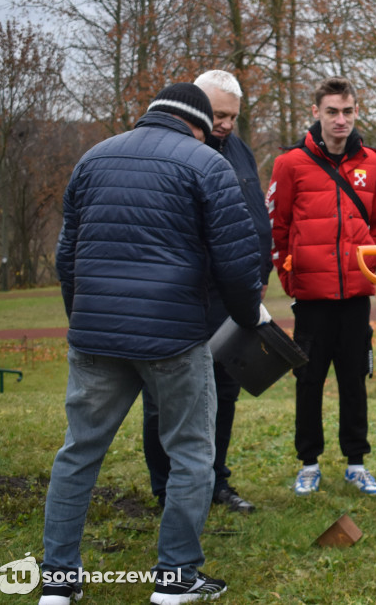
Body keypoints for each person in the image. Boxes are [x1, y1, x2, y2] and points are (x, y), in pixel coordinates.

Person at [40, 83, 266, 605]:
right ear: (201, 125)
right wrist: (245, 320)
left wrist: (87, 321)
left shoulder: (92, 158)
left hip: (95, 336)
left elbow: (66, 257)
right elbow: (237, 264)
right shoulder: (208, 165)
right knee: (190, 453)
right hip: (174, 338)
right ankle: (176, 576)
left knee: (78, 453)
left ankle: (57, 579)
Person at [141, 70, 273, 515]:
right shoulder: (180, 151)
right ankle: (168, 489)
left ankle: (215, 481)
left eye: (233, 116)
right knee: (167, 398)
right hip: (184, 298)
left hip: (233, 297)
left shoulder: (239, 151)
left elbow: (256, 216)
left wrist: (261, 270)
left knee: (224, 390)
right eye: (218, 114)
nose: (226, 124)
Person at [268, 77, 376, 497]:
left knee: (354, 381)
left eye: (348, 111)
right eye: (333, 111)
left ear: (357, 112)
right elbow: (277, 228)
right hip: (312, 300)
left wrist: (367, 269)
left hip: (356, 298)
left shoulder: (373, 164)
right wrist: (291, 276)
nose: (341, 119)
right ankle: (309, 463)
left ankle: (357, 463)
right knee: (309, 380)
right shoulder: (289, 164)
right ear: (316, 112)